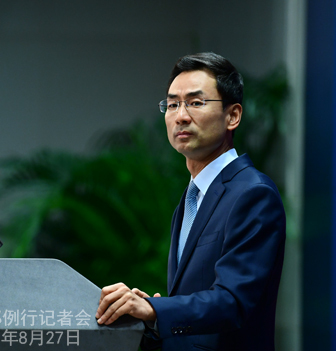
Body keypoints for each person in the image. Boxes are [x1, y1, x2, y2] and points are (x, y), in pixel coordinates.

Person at [95, 52, 286, 351]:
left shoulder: (253, 193)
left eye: (196, 103)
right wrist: (152, 311)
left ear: (233, 115)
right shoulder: (192, 197)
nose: (181, 116)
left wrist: (156, 311)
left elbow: (232, 301)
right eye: (172, 104)